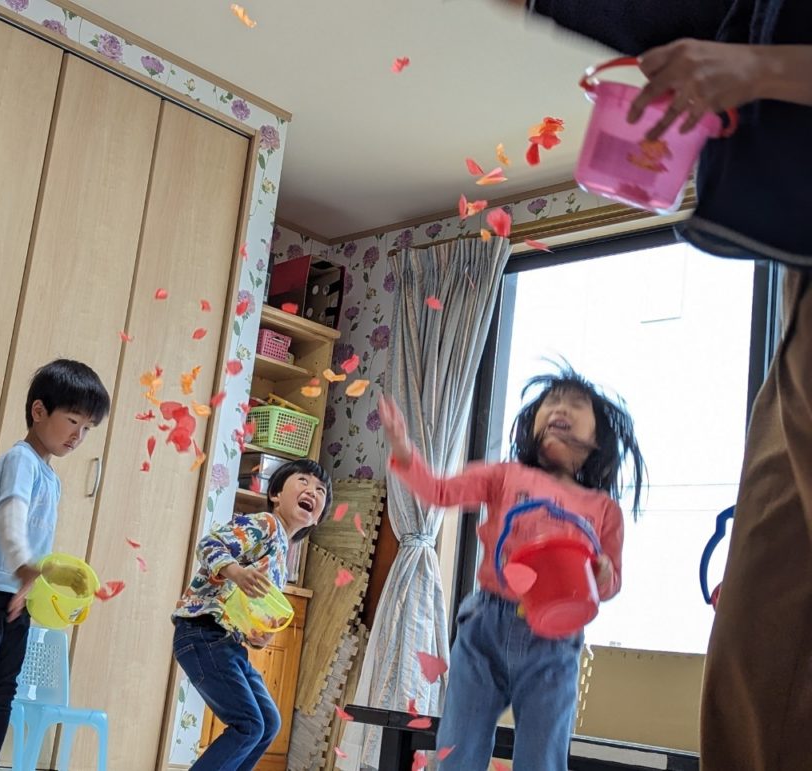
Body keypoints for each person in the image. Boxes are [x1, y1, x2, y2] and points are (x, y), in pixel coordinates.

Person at [495, 2, 812, 768]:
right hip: (801, 275)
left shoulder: (600, 506)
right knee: (757, 645)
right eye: (552, 410)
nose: (559, 419)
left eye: (574, 412)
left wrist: (759, 70)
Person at [380, 367, 644, 770]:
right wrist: (404, 451)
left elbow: (610, 584)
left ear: (597, 440)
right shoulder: (506, 475)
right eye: (551, 402)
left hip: (555, 642)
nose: (560, 408)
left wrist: (604, 575)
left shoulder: (605, 510)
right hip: (485, 627)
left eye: (575, 404)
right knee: (458, 750)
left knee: (543, 758)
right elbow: (440, 491)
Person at [0, 359, 110, 771]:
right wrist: (22, 566)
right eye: (73, 421)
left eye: (87, 428)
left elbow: (36, 542)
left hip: (18, 600)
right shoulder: (20, 460)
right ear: (38, 411)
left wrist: (45, 576)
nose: (78, 436)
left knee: (2, 694)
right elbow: (10, 518)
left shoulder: (51, 477)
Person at [172, 458, 332, 771]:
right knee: (249, 725)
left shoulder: (283, 555)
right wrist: (236, 572)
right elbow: (210, 544)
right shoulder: (266, 524)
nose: (312, 491)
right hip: (203, 631)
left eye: (320, 490)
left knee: (268, 723)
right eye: (303, 481)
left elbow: (246, 608)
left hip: (227, 642)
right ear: (275, 495)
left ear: (317, 519)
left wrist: (259, 634)